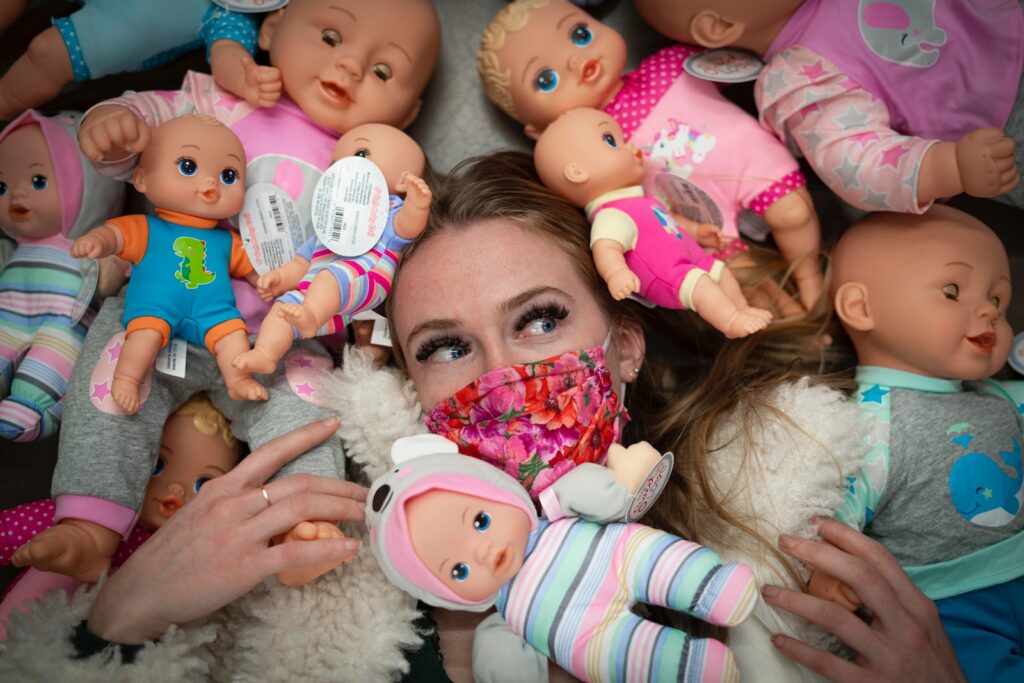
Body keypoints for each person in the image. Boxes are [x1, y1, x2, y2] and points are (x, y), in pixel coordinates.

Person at [0, 153, 965, 683]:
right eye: (447, 346)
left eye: (540, 319)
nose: (505, 376)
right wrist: (122, 620)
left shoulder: (811, 514)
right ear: (411, 392)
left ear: (625, 345)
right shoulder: (343, 616)